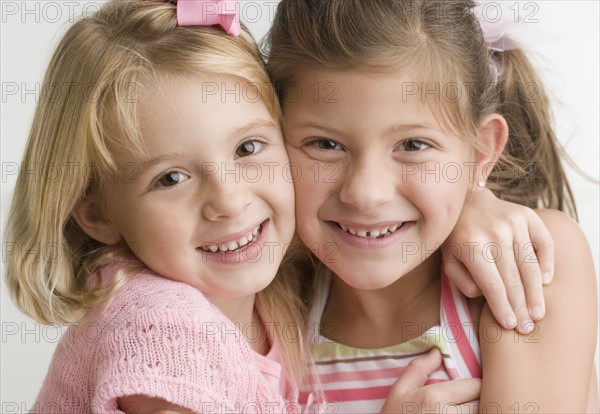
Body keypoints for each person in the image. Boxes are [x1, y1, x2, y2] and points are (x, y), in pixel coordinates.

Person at [266, 0, 598, 412]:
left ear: (482, 152)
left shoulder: (524, 261)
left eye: (413, 145)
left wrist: (469, 201)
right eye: (325, 144)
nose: (365, 193)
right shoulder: (271, 301)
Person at [4, 0, 308, 412]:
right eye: (171, 178)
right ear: (98, 214)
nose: (230, 200)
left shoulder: (273, 298)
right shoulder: (163, 328)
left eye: (247, 148)